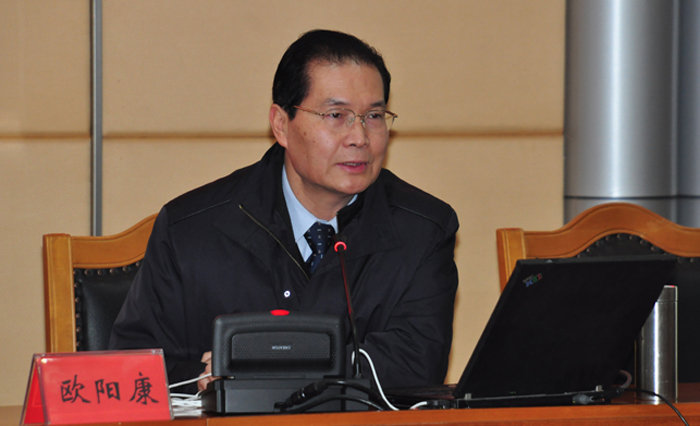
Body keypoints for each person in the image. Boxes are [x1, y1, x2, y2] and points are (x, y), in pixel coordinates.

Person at [109, 29, 459, 394]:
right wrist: (206, 380)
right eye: (336, 114)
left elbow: (416, 363)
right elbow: (132, 369)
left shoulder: (423, 229)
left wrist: (266, 364)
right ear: (281, 124)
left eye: (373, 116)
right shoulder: (191, 229)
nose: (360, 137)